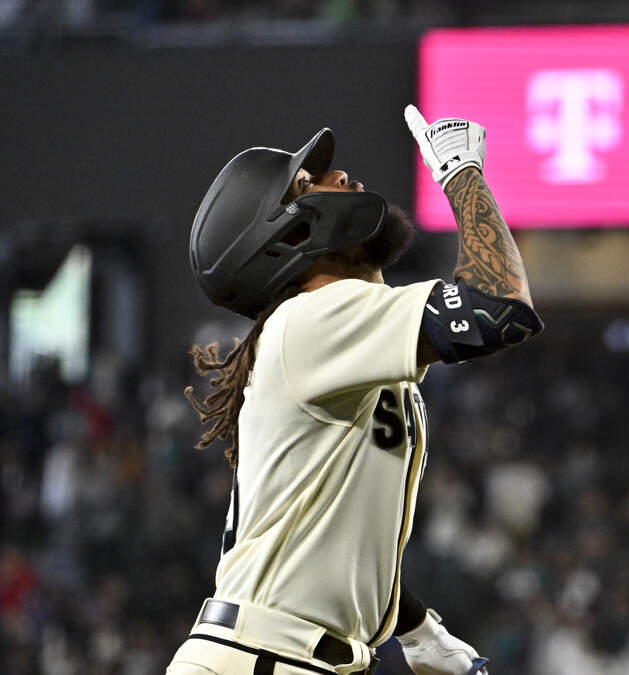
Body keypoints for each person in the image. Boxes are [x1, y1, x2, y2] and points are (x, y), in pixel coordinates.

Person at [167, 105, 541, 675]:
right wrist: (461, 173)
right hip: (268, 657)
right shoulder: (315, 319)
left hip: (277, 655)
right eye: (306, 183)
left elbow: (336, 533)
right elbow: (500, 309)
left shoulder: (333, 332)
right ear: (284, 234)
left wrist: (416, 629)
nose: (338, 178)